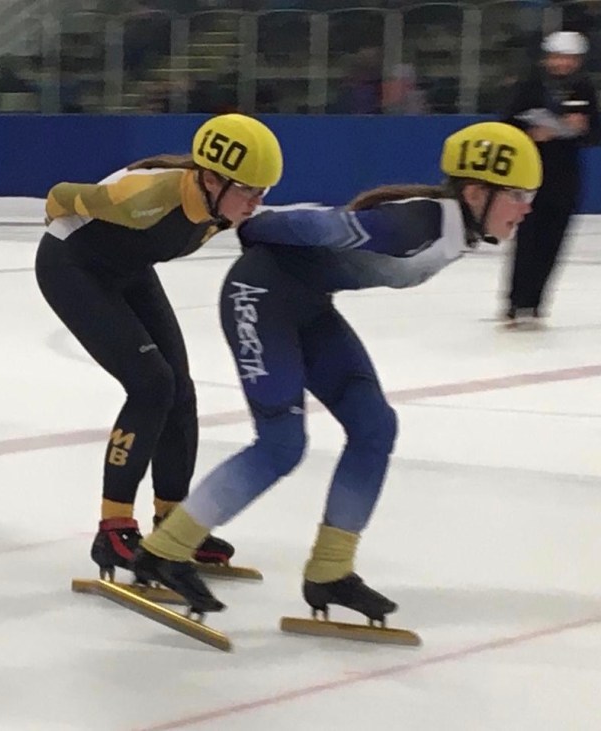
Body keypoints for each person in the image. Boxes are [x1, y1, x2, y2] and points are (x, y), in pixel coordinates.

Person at [134, 121, 541, 620]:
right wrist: (255, 227)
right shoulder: (418, 224)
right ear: (477, 192)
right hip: (258, 297)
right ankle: (164, 551)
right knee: (281, 445)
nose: (527, 208)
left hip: (306, 306)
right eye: (518, 195)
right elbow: (322, 225)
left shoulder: (451, 228)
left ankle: (331, 570)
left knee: (375, 427)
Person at [35, 113, 284, 577]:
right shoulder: (148, 196)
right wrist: (63, 221)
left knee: (180, 391)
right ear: (211, 179)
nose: (256, 202)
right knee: (151, 385)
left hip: (128, 268)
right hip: (72, 267)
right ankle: (114, 529)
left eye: (263, 191)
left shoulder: (222, 209)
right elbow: (60, 195)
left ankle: (173, 523)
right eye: (248, 190)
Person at [500, 30, 600, 327]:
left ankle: (535, 303)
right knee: (528, 238)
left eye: (569, 59)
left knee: (553, 240)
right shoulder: (530, 86)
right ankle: (515, 302)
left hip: (565, 175)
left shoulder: (583, 88)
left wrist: (582, 129)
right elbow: (506, 123)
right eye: (557, 58)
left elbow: (595, 131)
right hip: (530, 172)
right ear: (547, 58)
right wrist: (531, 134)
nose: (562, 64)